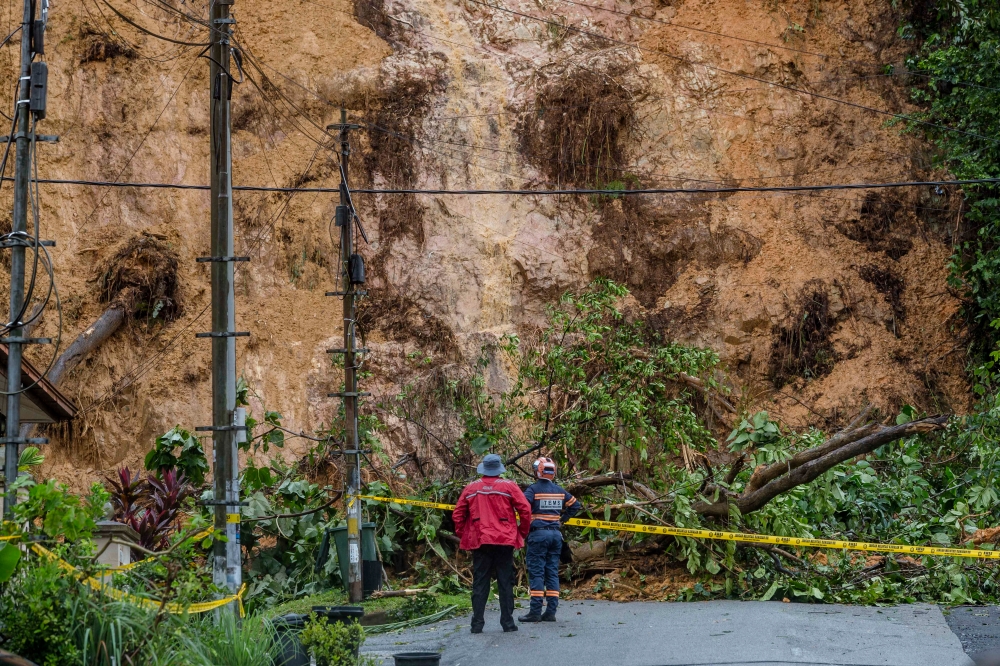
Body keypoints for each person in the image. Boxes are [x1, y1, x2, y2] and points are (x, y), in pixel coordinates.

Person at [453, 453, 532, 634]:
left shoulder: (472, 487)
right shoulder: (509, 486)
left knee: (480, 581)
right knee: (505, 581)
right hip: (505, 540)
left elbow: (458, 514)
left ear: (483, 469)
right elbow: (525, 510)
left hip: (480, 540)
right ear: (499, 470)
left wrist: (465, 534)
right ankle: (508, 623)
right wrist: (521, 532)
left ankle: (477, 624)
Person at [518, 456, 581, 623]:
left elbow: (522, 507)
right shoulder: (560, 491)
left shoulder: (533, 490)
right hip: (555, 535)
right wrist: (562, 520)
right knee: (552, 572)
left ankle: (535, 612)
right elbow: (575, 505)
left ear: (537, 472)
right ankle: (551, 612)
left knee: (537, 572)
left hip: (538, 535)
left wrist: (523, 525)